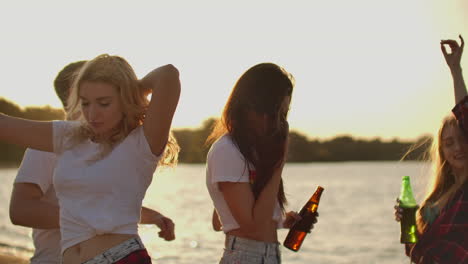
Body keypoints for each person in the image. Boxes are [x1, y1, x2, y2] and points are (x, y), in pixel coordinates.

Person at [0, 54, 181, 264]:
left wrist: (130, 90)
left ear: (123, 99)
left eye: (104, 103)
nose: (93, 114)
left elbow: (168, 74)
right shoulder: (68, 136)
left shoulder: (141, 143)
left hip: (121, 258)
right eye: (85, 103)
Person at [205, 63, 317, 264]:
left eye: (284, 115)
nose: (279, 123)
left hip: (266, 255)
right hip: (245, 256)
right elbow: (251, 228)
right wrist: (279, 162)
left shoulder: (251, 152)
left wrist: (280, 221)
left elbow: (222, 218)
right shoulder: (227, 150)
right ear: (253, 106)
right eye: (276, 114)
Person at [394, 35, 468, 263]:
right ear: (442, 152)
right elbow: (415, 251)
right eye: (448, 143)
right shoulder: (436, 197)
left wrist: (455, 70)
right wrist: (407, 223)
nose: (457, 147)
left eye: (462, 139)